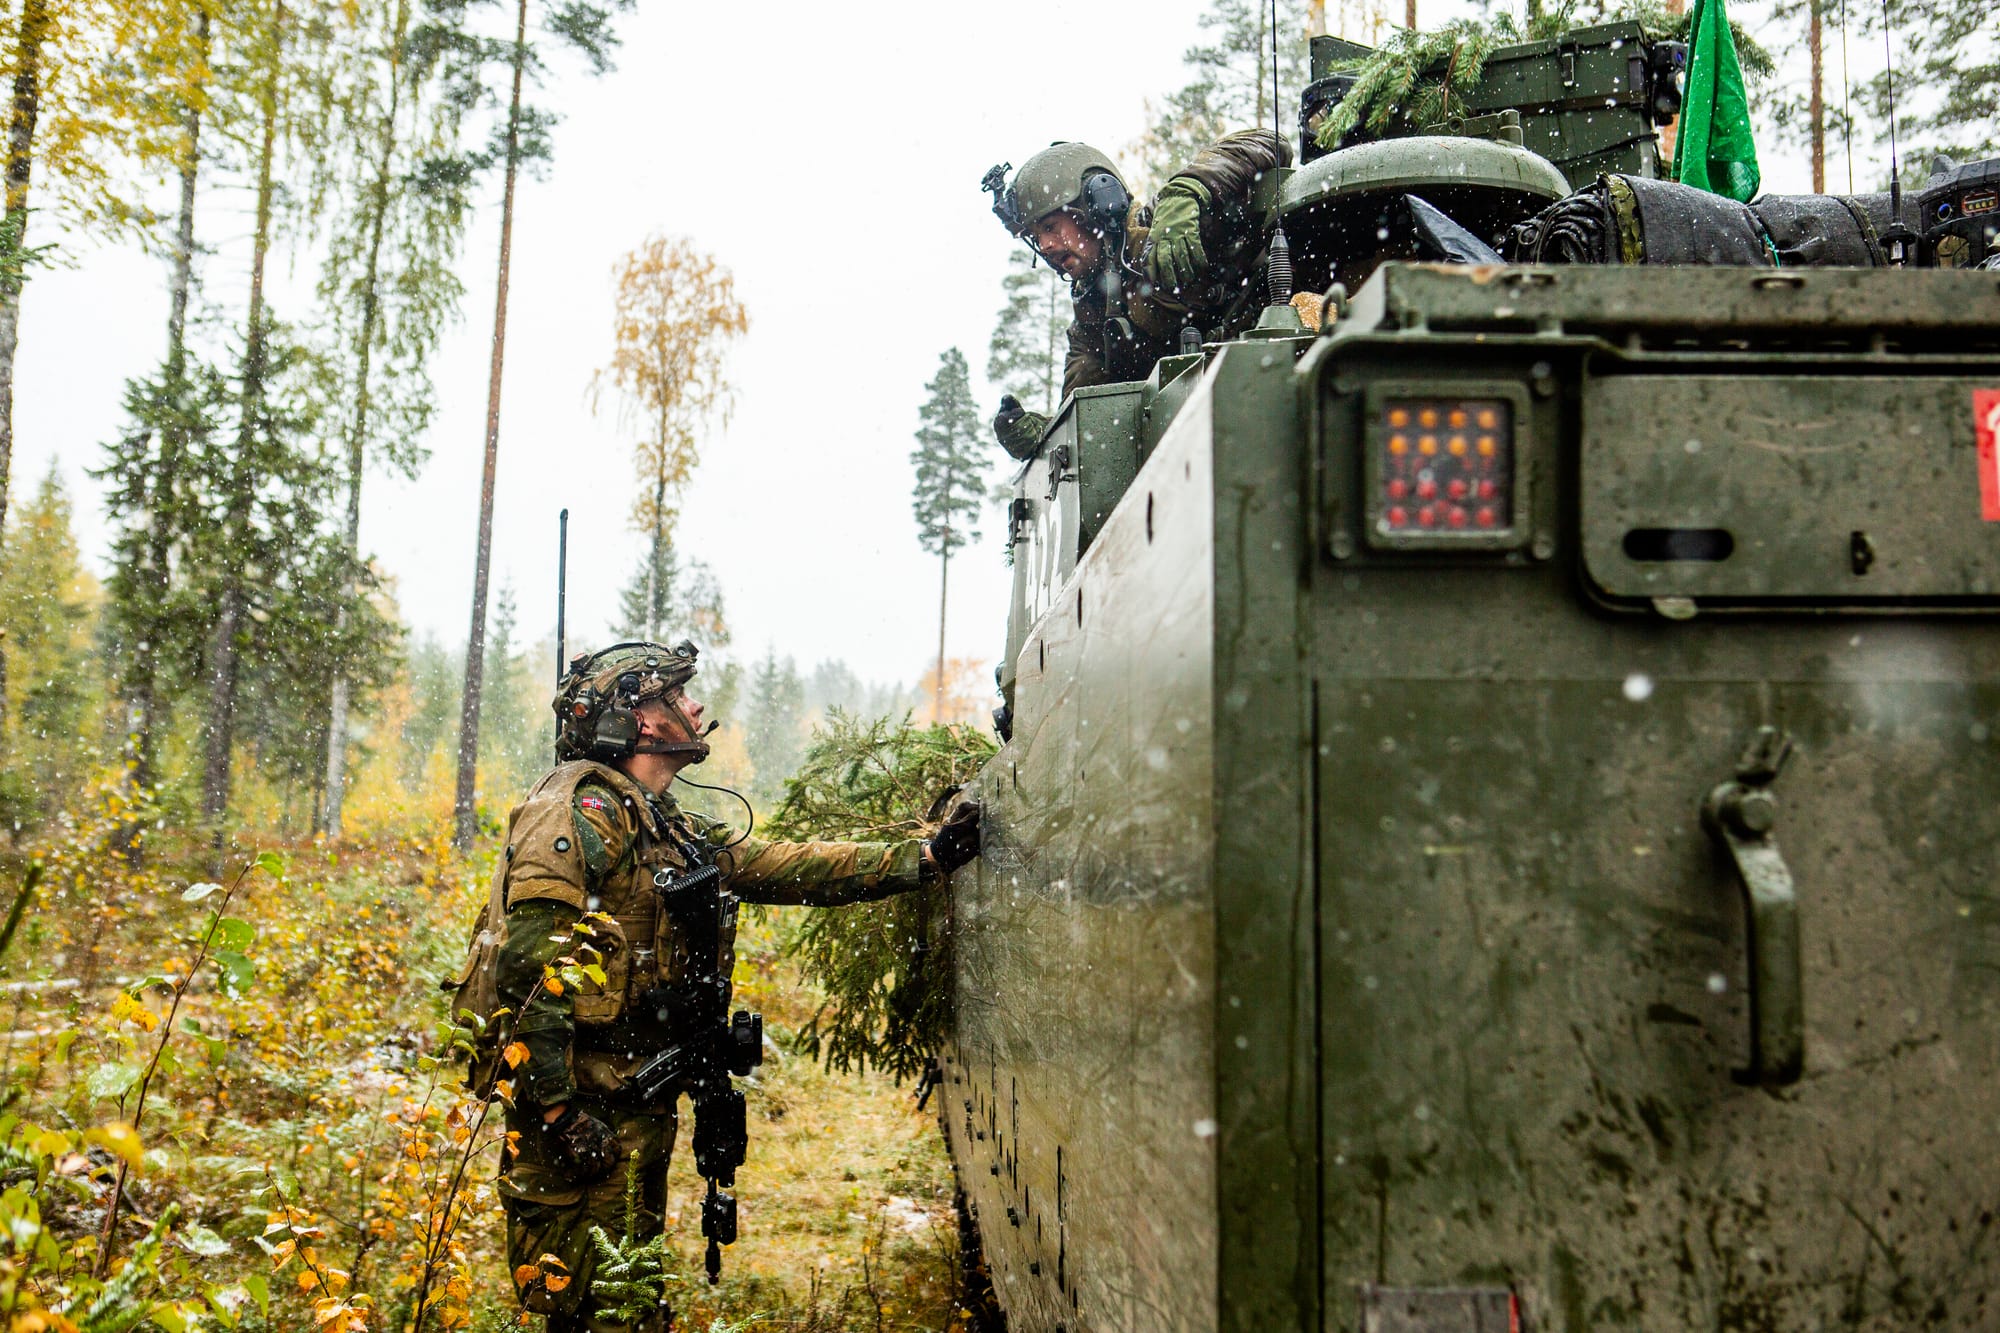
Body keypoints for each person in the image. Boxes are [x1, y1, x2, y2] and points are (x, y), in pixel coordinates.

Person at [474, 639, 981, 1332]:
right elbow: (530, 968)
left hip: (626, 1105)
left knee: (629, 1291)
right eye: (677, 695)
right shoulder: (581, 812)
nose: (695, 705)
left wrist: (922, 857)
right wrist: (560, 1115)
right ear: (642, 721)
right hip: (580, 1115)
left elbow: (781, 864)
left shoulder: (662, 821)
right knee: (593, 1307)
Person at [983, 130, 1293, 458]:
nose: (1045, 246)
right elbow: (1089, 421)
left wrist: (1188, 190)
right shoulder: (1090, 325)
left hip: (1272, 394)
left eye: (1050, 227)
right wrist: (1045, 436)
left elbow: (1271, 143)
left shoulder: (1167, 226)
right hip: (1202, 446)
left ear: (1094, 206)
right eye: (1036, 236)